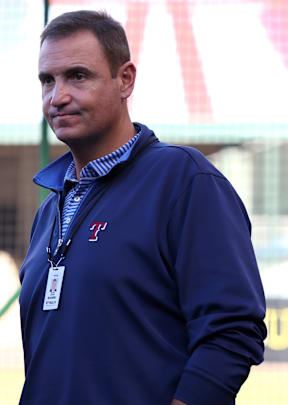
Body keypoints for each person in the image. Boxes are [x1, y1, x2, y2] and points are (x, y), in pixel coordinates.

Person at [19, 10, 266, 405]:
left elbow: (233, 331)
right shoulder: (49, 210)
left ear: (125, 79)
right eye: (48, 80)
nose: (58, 96)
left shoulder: (185, 180)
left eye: (78, 76)